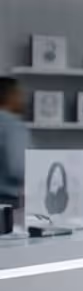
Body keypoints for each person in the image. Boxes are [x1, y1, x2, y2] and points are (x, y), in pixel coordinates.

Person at [0, 77, 29, 209]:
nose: (22, 99)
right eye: (19, 94)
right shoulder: (12, 126)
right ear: (10, 96)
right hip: (8, 201)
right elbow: (18, 168)